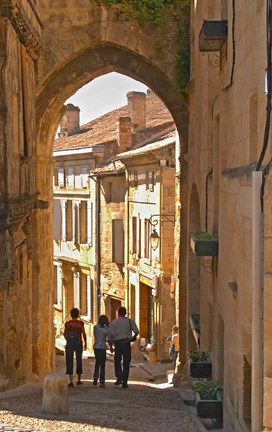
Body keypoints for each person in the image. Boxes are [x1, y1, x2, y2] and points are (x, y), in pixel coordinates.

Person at [110, 306, 139, 389]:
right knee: (126, 363)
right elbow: (136, 331)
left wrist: (112, 345)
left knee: (117, 361)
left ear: (118, 313)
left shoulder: (115, 322)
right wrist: (133, 337)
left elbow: (111, 334)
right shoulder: (130, 321)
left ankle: (119, 378)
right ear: (125, 313)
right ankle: (125, 382)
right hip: (126, 343)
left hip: (118, 344)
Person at [64, 307, 87, 387]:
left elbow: (64, 334)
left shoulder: (68, 324)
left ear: (71, 315)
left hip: (70, 344)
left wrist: (68, 340)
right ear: (78, 315)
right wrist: (85, 343)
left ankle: (71, 381)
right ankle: (79, 380)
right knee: (79, 360)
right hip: (78, 343)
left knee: (69, 360)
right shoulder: (80, 323)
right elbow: (84, 333)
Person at [93, 314, 113, 387]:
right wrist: (111, 347)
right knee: (103, 364)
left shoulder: (95, 327)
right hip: (102, 348)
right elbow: (109, 339)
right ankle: (102, 381)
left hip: (96, 347)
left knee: (97, 362)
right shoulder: (107, 329)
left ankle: (95, 377)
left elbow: (95, 335)